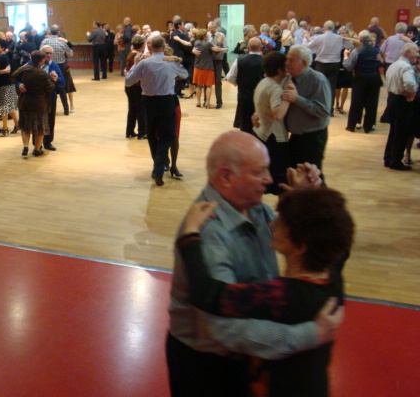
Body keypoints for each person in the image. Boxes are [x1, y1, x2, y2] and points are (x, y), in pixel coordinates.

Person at [167, 131, 343, 397]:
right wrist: (310, 334)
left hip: (249, 354)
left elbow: (301, 238)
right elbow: (220, 327)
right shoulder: (209, 232)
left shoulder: (256, 207)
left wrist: (306, 199)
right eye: (260, 172)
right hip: (210, 367)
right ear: (226, 176)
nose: (269, 180)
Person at [125, 35, 188, 186]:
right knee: (167, 136)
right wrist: (176, 63)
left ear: (150, 47)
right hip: (167, 101)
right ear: (164, 47)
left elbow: (128, 81)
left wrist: (135, 64)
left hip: (148, 102)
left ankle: (158, 167)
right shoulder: (170, 62)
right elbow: (185, 75)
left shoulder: (144, 63)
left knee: (152, 136)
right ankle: (159, 170)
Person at [282, 46, 332, 173]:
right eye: (287, 59)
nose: (287, 63)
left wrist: (297, 99)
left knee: (312, 176)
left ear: (304, 63)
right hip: (296, 136)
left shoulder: (317, 80)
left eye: (291, 60)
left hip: (312, 138)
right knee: (296, 175)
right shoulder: (288, 78)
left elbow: (323, 110)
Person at [251, 51, 291, 193]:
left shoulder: (263, 82)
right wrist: (288, 99)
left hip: (261, 133)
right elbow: (278, 114)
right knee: (280, 183)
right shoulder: (275, 87)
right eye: (286, 67)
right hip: (273, 138)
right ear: (280, 70)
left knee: (260, 179)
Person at [383, 42, 419, 170]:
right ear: (408, 52)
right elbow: (410, 83)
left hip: (392, 98)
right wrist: (412, 92)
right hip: (402, 101)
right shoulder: (406, 67)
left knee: (393, 131)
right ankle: (396, 161)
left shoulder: (394, 65)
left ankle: (388, 158)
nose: (417, 55)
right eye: (416, 52)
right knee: (402, 132)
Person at [13, 50, 55, 157]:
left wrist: (20, 81)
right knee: (39, 128)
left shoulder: (25, 70)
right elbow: (50, 88)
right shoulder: (42, 73)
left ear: (31, 58)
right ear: (42, 61)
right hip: (39, 104)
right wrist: (53, 80)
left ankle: (25, 146)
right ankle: (37, 150)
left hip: (24, 102)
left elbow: (13, 76)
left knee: (25, 126)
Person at [343, 30, 383, 133]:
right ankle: (368, 127)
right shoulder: (376, 51)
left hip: (360, 79)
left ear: (360, 40)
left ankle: (352, 126)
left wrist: (346, 57)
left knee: (356, 102)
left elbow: (349, 67)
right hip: (374, 79)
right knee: (372, 103)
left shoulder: (356, 51)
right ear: (369, 39)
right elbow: (379, 64)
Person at [226, 37, 264, 133]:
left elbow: (230, 77)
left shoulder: (240, 60)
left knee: (245, 124)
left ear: (248, 47)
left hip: (244, 96)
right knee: (261, 125)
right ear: (261, 47)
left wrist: (239, 84)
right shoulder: (266, 61)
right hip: (261, 97)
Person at [40, 45, 66, 151]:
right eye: (47, 53)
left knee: (50, 120)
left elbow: (62, 82)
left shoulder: (54, 65)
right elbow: (19, 76)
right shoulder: (33, 64)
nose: (49, 55)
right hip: (37, 97)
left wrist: (57, 78)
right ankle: (37, 144)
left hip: (50, 96)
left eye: (51, 53)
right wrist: (19, 84)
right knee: (37, 120)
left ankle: (48, 142)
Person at [124, 36, 147, 139]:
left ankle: (129, 131)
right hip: (136, 85)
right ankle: (141, 132)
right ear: (142, 45)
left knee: (132, 109)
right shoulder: (138, 55)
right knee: (140, 110)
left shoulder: (131, 54)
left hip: (130, 85)